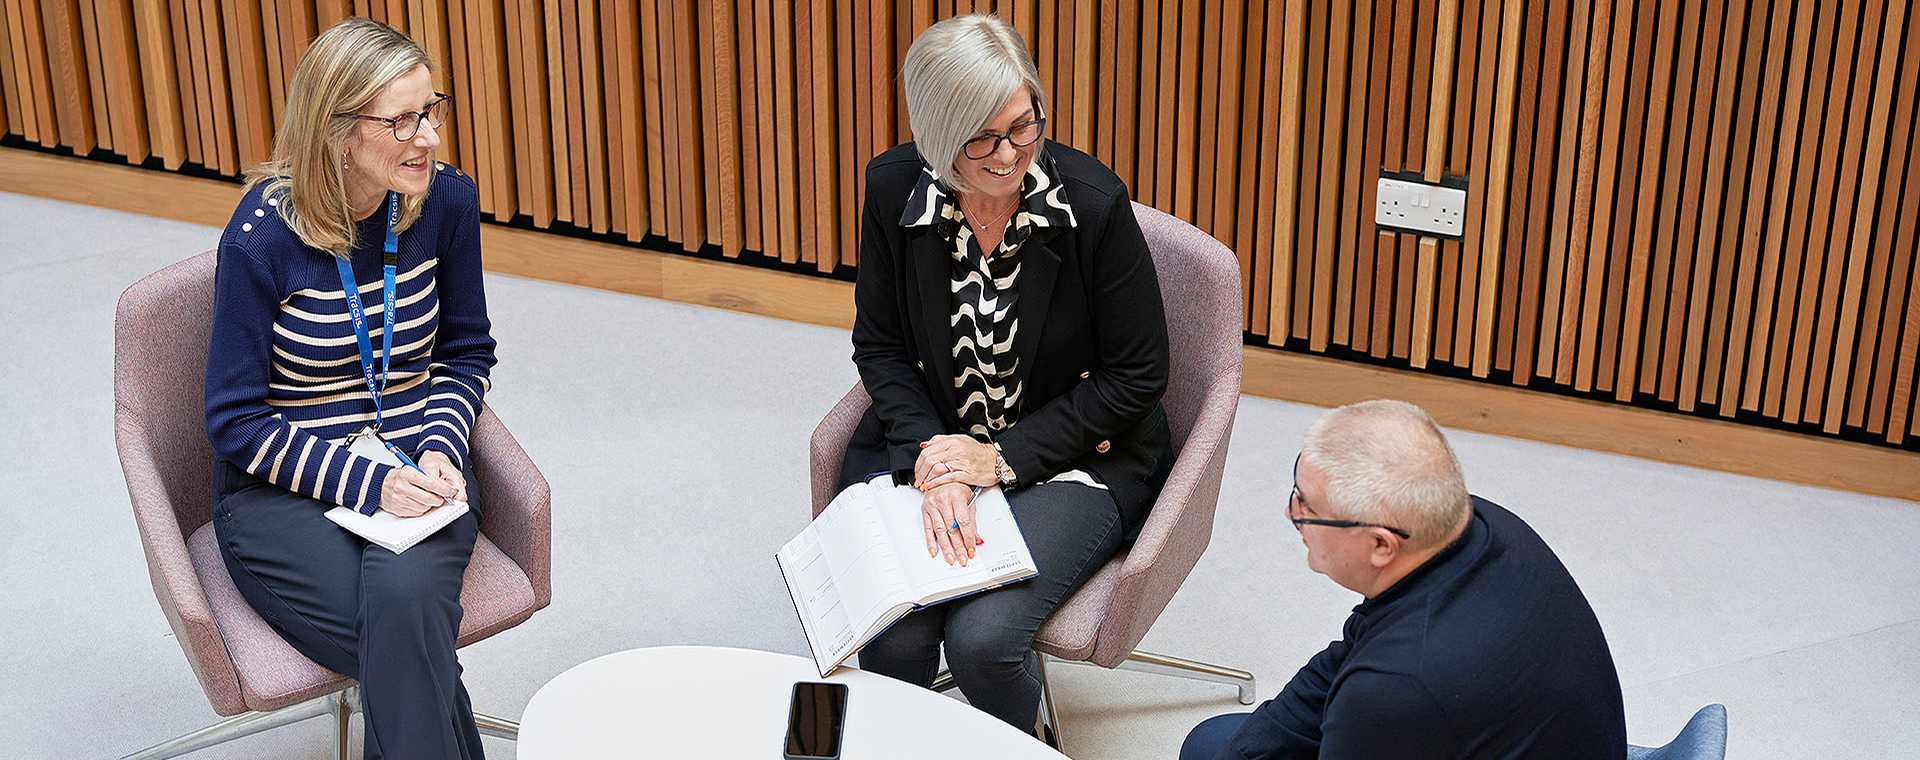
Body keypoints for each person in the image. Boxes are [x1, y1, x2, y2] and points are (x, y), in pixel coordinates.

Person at [839, 13, 1174, 733]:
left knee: (984, 643)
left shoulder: (1092, 206)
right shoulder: (895, 188)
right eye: (981, 137)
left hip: (1074, 455)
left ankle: (1027, 746)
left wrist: (996, 459)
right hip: (932, 442)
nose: (1008, 154)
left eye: (1024, 126)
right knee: (893, 635)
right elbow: (883, 347)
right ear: (936, 133)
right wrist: (936, 459)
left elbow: (1136, 377)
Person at [202, 18, 496, 760]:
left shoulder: (447, 203)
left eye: (432, 109)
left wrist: (436, 449)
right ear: (338, 132)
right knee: (410, 649)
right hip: (282, 488)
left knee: (403, 620)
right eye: (401, 120)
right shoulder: (261, 237)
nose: (428, 136)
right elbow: (234, 421)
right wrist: (370, 482)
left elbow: (466, 354)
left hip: (425, 474)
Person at [1180, 400, 1626, 760]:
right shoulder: (1477, 525)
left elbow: (1371, 693)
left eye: (1307, 507)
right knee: (1218, 743)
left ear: (1381, 545)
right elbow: (1345, 655)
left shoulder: (1397, 685)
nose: (1290, 513)